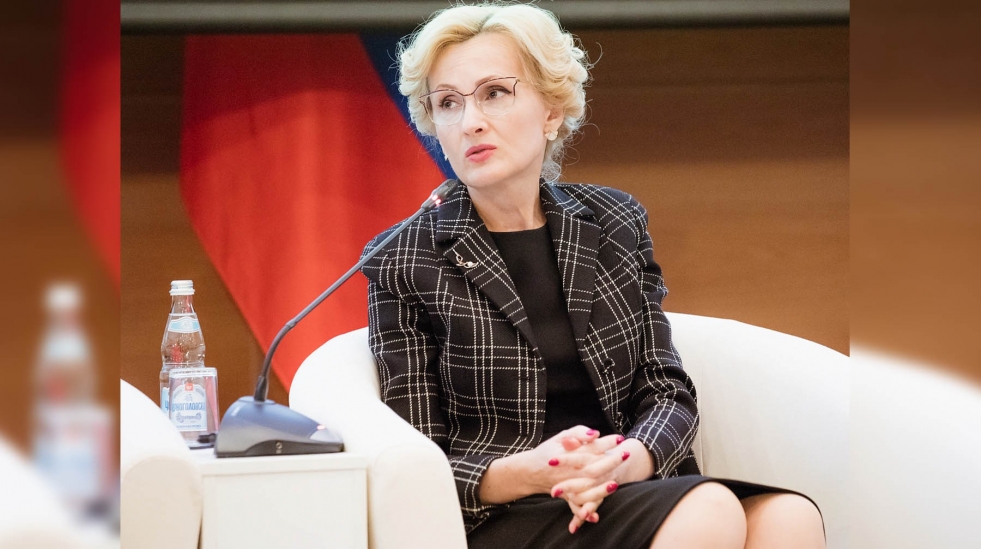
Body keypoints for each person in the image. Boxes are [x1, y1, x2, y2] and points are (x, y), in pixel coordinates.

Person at [360, 3, 826, 548]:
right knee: (710, 509)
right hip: (503, 512)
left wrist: (626, 462)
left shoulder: (614, 222)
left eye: (494, 93)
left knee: (790, 517)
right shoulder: (402, 256)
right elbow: (415, 453)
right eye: (447, 103)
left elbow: (665, 388)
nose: (470, 122)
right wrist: (533, 473)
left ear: (551, 110)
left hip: (621, 482)